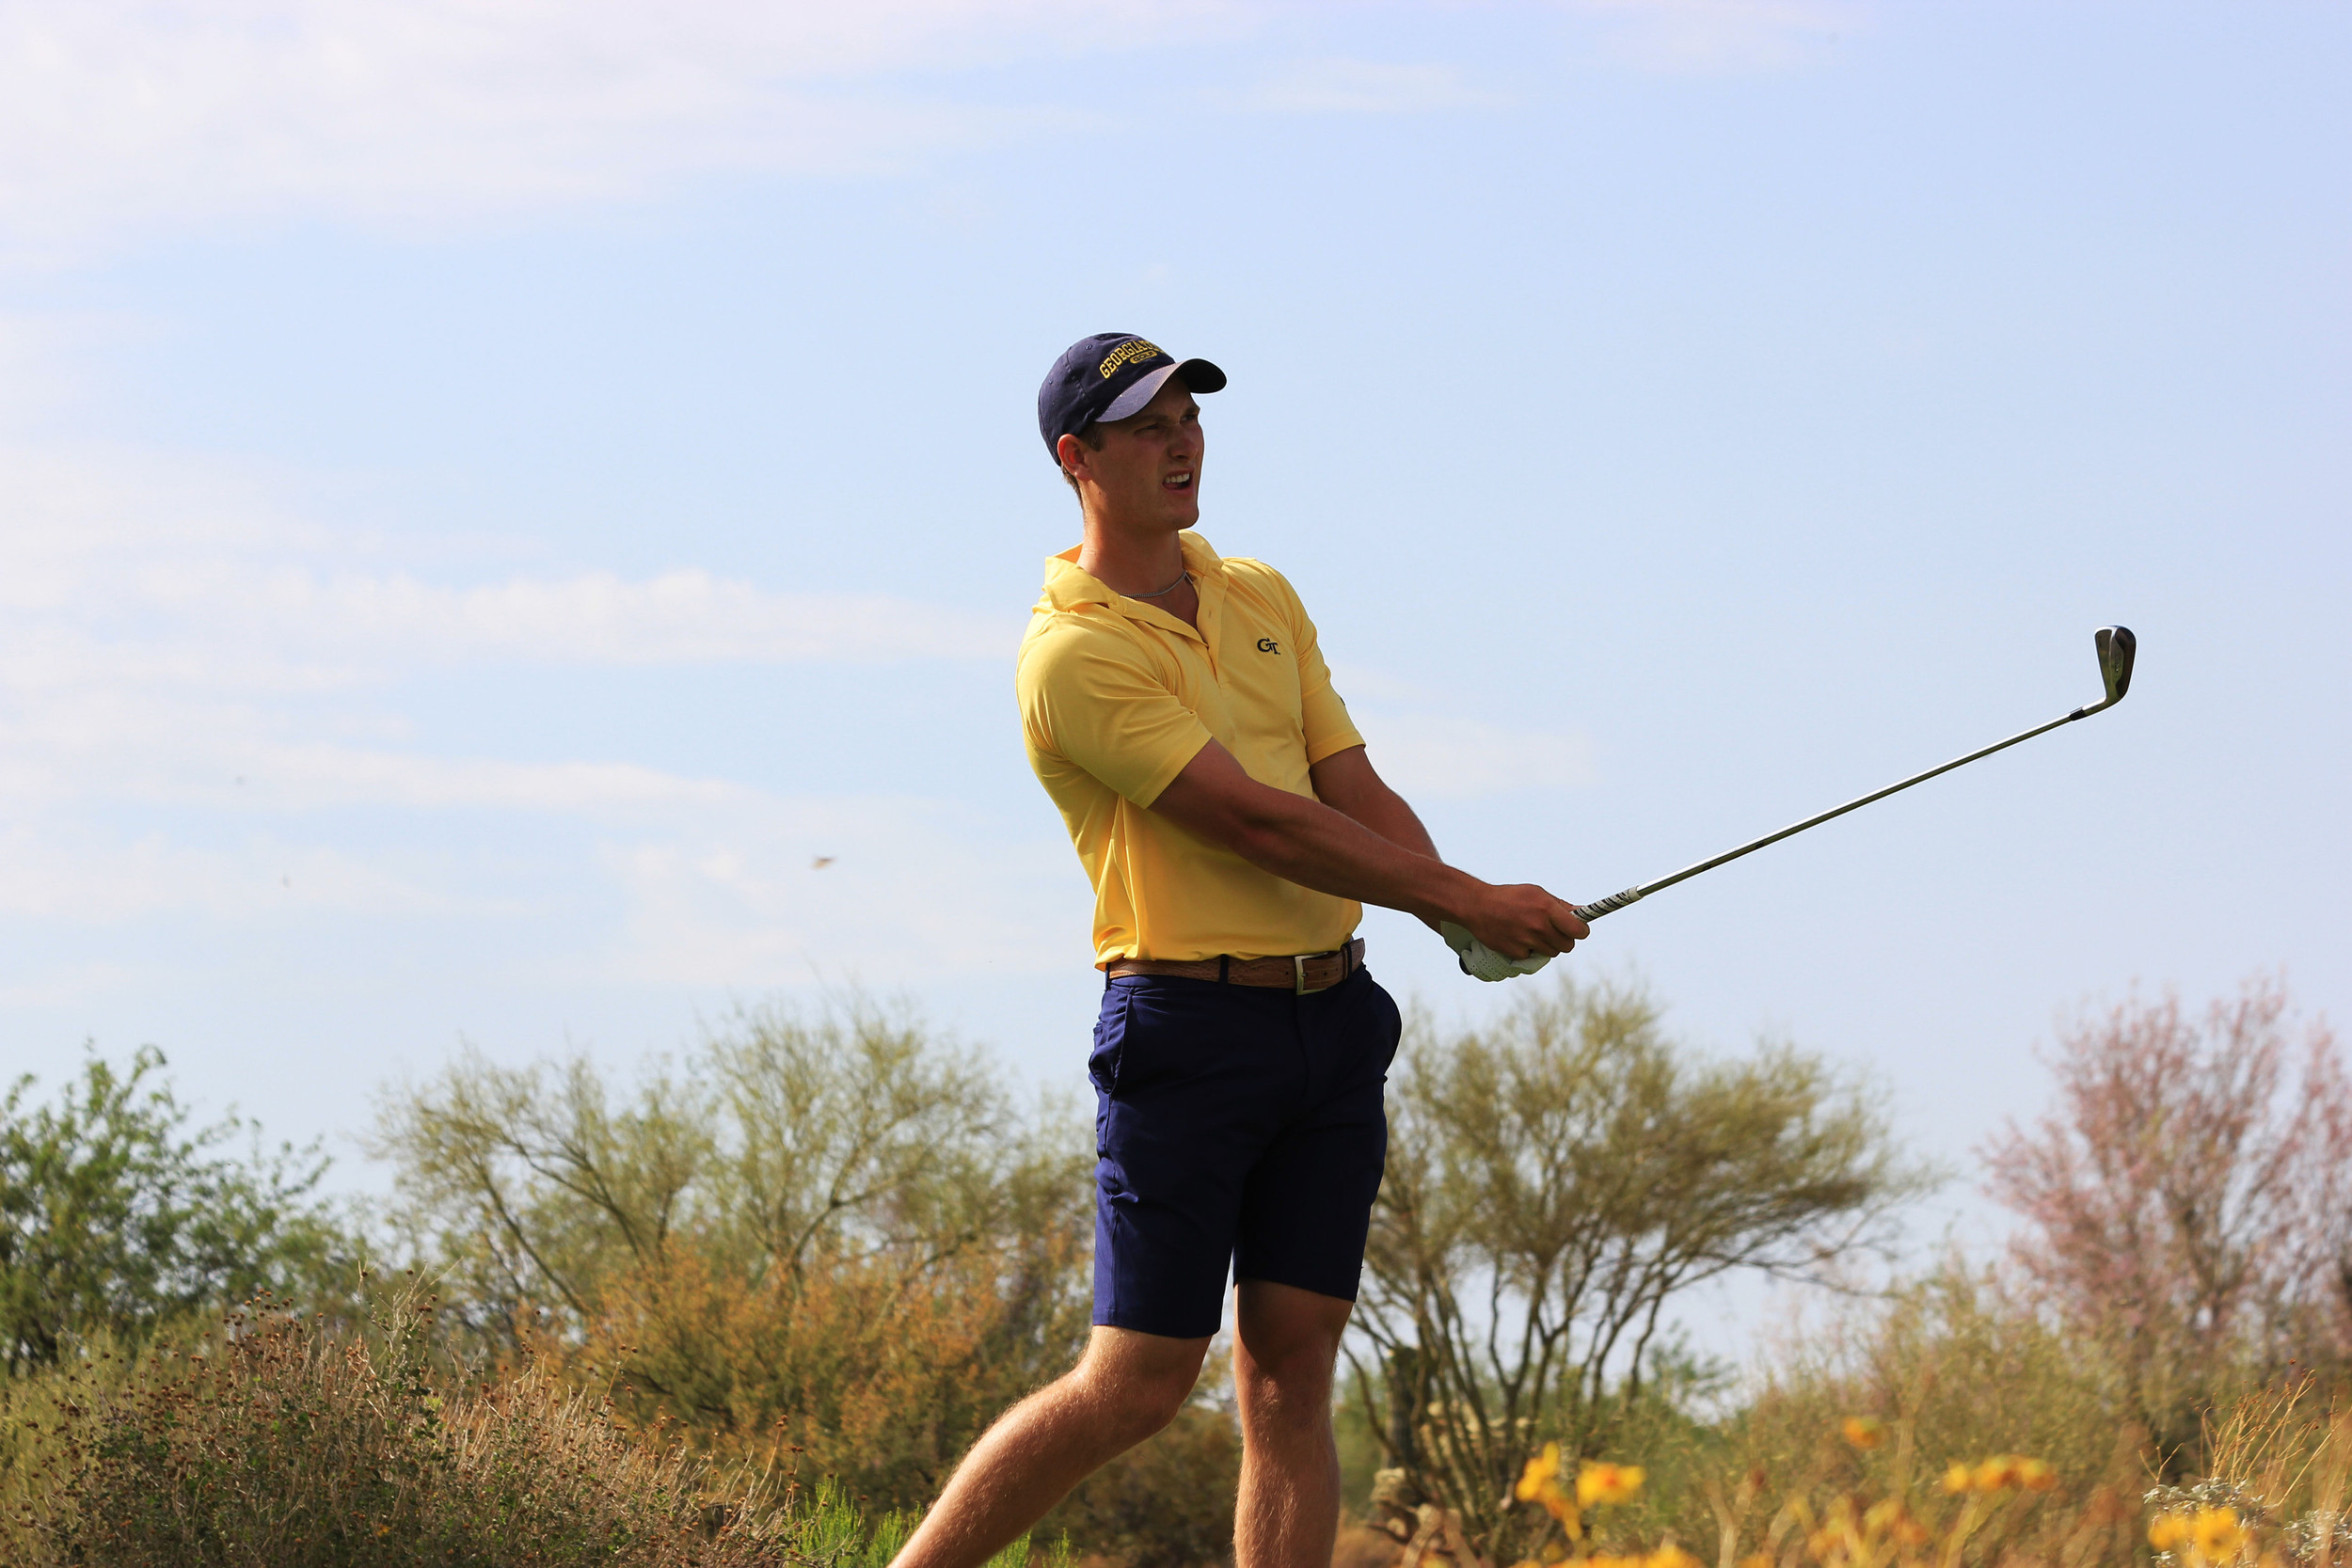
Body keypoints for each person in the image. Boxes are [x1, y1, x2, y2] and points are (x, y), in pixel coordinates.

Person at [889, 335, 1591, 1568]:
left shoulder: (1259, 593)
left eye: (1189, 416)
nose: (1182, 441)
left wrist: (1451, 913)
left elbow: (1344, 784)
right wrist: (1468, 894)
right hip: (1185, 1031)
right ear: (1077, 459)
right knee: (1140, 1382)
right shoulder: (1073, 655)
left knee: (1289, 1384)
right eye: (1147, 425)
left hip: (1332, 1026)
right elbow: (1257, 822)